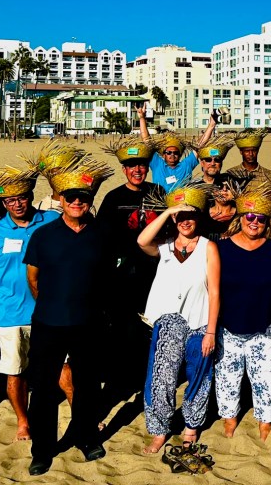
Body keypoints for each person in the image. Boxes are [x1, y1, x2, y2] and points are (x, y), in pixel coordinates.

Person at [23, 157, 115, 475]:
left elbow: (106, 277)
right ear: (60, 199)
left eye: (84, 198)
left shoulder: (101, 234)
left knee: (88, 386)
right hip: (49, 322)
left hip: (89, 323)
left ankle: (86, 438)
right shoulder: (43, 235)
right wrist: (53, 303)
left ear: (90, 201)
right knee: (44, 389)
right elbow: (33, 279)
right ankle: (42, 450)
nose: (77, 202)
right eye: (71, 197)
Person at [0, 167, 60, 442]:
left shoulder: (52, 221)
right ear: (3, 203)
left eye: (22, 197)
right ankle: (23, 420)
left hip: (52, 311)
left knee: (65, 368)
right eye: (10, 200)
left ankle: (85, 414)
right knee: (15, 370)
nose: (17, 204)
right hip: (10, 314)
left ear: (31, 195)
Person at [137, 184, 220, 456]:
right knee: (161, 376)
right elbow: (142, 241)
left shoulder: (209, 247)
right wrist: (170, 210)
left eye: (191, 216)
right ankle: (160, 431)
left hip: (199, 322)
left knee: (200, 374)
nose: (186, 221)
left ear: (199, 219)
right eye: (180, 217)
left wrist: (210, 331)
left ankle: (191, 428)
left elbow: (215, 291)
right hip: (168, 323)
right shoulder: (164, 247)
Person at [95, 135, 166, 406]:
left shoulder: (157, 192)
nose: (137, 170)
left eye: (142, 166)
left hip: (154, 271)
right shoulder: (114, 198)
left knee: (149, 328)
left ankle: (144, 375)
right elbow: (103, 239)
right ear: (124, 169)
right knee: (121, 328)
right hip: (122, 275)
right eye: (132, 166)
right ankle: (119, 378)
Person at [215, 181, 271, 441]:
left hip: (263, 327)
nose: (254, 222)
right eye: (249, 216)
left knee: (266, 376)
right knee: (227, 377)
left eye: (261, 218)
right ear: (241, 217)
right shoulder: (220, 248)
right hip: (228, 327)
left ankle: (265, 421)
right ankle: (229, 418)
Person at [138, 103, 218, 193]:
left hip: (181, 204)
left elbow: (199, 146)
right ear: (163, 155)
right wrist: (142, 118)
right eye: (169, 153)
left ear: (180, 155)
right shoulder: (157, 164)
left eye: (175, 153)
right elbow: (147, 141)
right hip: (160, 203)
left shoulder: (185, 165)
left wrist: (211, 125)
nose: (172, 155)